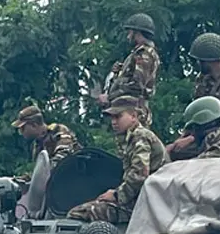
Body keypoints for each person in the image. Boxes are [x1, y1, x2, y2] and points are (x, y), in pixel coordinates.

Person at [66, 96, 168, 224]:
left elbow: (139, 175)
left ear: (133, 116)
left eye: (118, 116)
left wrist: (116, 195)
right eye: (112, 118)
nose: (113, 122)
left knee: (79, 213)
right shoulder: (128, 139)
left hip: (149, 204)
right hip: (145, 200)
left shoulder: (140, 136)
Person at [167, 33, 220, 158]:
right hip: (204, 134)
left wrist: (194, 138)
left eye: (200, 60)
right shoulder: (203, 80)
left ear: (208, 61)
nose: (198, 63)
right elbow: (198, 117)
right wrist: (183, 139)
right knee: (174, 152)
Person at [101, 13, 161, 126]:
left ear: (137, 33)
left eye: (130, 32)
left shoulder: (144, 54)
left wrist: (109, 97)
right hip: (128, 111)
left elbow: (136, 86)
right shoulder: (139, 53)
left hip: (134, 111)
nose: (128, 36)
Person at [171, 96, 220, 160]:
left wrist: (195, 162)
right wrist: (174, 148)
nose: (191, 132)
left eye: (192, 128)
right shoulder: (203, 141)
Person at [12, 105, 81, 168]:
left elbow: (63, 156)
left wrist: (45, 170)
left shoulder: (58, 130)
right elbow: (39, 171)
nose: (21, 132)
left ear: (34, 125)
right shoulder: (37, 144)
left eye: (23, 128)